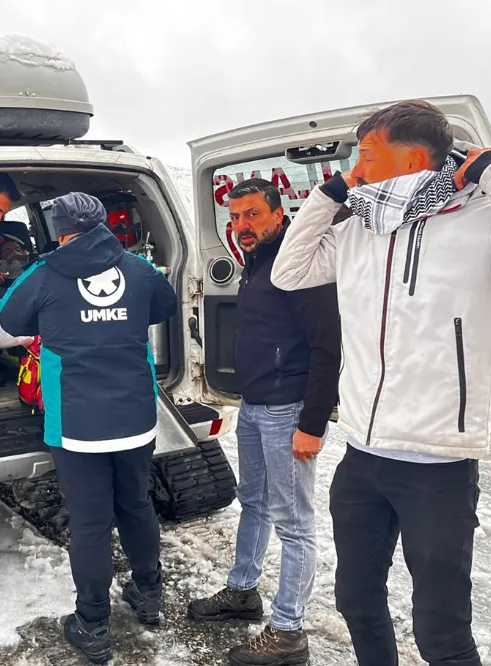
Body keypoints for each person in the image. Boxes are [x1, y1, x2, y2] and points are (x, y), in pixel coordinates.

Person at [271, 99, 491, 666]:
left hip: (437, 466)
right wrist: (330, 195)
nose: (356, 168)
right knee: (356, 602)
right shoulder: (359, 227)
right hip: (362, 458)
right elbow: (288, 272)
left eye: (367, 155)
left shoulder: (481, 218)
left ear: (413, 158)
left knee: (441, 633)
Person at [0, 192, 178, 664]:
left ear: (59, 231)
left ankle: (93, 624)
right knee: (136, 504)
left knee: (91, 522)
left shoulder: (44, 273)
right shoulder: (139, 269)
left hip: (78, 423)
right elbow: (164, 304)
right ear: (103, 224)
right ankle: (149, 595)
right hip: (135, 418)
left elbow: (10, 318)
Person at [186, 179, 340, 666]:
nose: (241, 226)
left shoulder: (298, 262)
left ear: (278, 213)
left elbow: (327, 346)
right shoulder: (255, 262)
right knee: (252, 502)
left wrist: (312, 423)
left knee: (294, 522)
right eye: (234, 217)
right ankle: (242, 591)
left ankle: (289, 632)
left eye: (252, 214)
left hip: (287, 408)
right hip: (254, 406)